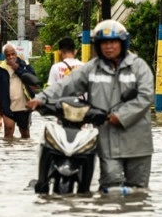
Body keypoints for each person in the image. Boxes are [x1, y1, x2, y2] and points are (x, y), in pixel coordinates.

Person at [27, 20, 154, 190]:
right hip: (106, 140)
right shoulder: (91, 69)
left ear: (122, 43)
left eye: (113, 42)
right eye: (104, 43)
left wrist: (121, 116)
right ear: (98, 46)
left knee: (139, 191)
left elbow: (146, 97)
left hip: (138, 143)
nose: (109, 47)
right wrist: (41, 98)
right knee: (110, 188)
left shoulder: (139, 67)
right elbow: (66, 85)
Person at [0, 43, 36, 139]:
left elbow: (32, 79)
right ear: (5, 56)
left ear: (16, 54)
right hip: (7, 105)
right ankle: (9, 153)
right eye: (8, 55)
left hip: (23, 105)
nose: (11, 57)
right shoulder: (0, 69)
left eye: (13, 54)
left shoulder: (24, 64)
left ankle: (22, 153)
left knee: (25, 133)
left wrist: (17, 68)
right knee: (8, 131)